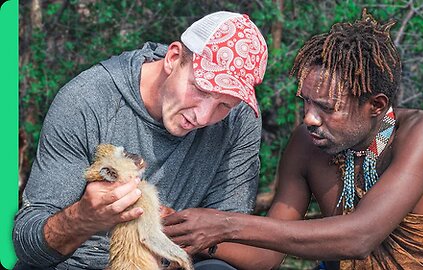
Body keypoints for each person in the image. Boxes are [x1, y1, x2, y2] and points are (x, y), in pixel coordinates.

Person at [162, 9, 423, 270]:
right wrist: (189, 232)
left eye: (327, 108)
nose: (309, 118)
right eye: (306, 102)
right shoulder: (306, 145)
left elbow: (359, 238)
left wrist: (225, 224)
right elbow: (266, 256)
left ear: (376, 106)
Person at [13, 11, 268, 269]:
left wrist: (183, 233)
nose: (203, 116)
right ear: (173, 57)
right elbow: (27, 245)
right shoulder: (86, 101)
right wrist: (82, 218)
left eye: (223, 104)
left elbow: (231, 236)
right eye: (200, 89)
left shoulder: (239, 117)